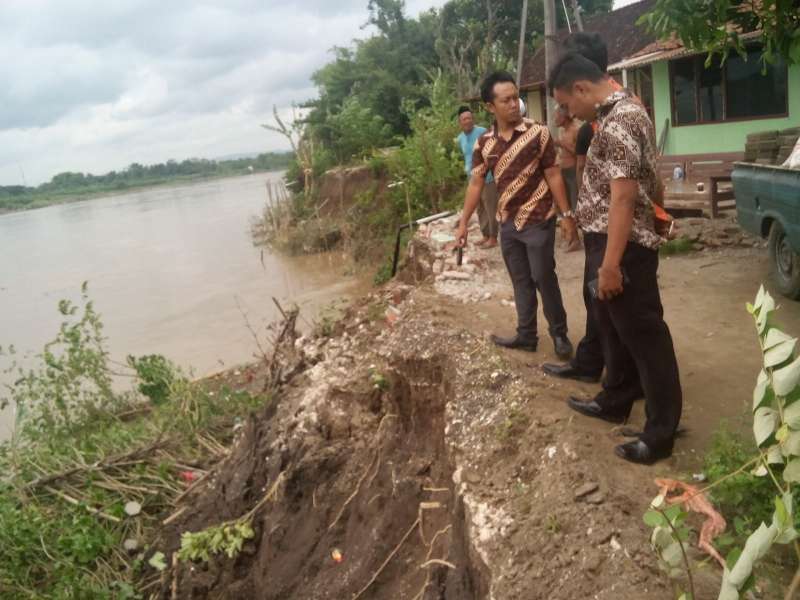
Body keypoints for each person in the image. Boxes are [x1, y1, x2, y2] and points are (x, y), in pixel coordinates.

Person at [549, 53, 682, 464]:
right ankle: (616, 400)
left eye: (568, 105)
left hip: (622, 247)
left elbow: (623, 197)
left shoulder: (621, 119)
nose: (569, 114)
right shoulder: (617, 113)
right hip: (612, 241)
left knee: (646, 337)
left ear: (581, 89)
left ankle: (660, 434)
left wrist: (610, 264)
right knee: (617, 328)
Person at [454, 71, 576, 360]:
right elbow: (475, 184)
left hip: (539, 219)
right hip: (507, 224)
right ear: (489, 106)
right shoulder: (484, 144)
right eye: (505, 100)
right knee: (520, 280)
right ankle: (526, 335)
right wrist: (462, 225)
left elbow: (554, 174)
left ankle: (559, 333)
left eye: (515, 97)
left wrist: (567, 215)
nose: (513, 104)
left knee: (544, 277)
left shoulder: (538, 132)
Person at [542, 32, 610, 383]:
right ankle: (596, 363)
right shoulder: (597, 122)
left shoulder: (611, 122)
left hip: (614, 232)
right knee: (597, 299)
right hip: (599, 228)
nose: (565, 112)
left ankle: (623, 377)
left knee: (613, 305)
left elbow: (628, 193)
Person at [456, 106, 498, 248]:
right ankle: (485, 235)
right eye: (464, 119)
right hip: (472, 179)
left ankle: (493, 237)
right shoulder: (460, 138)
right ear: (460, 122)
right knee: (479, 208)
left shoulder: (482, 132)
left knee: (490, 207)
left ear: (473, 119)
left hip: (487, 178)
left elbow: (493, 151)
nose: (467, 121)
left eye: (469, 118)